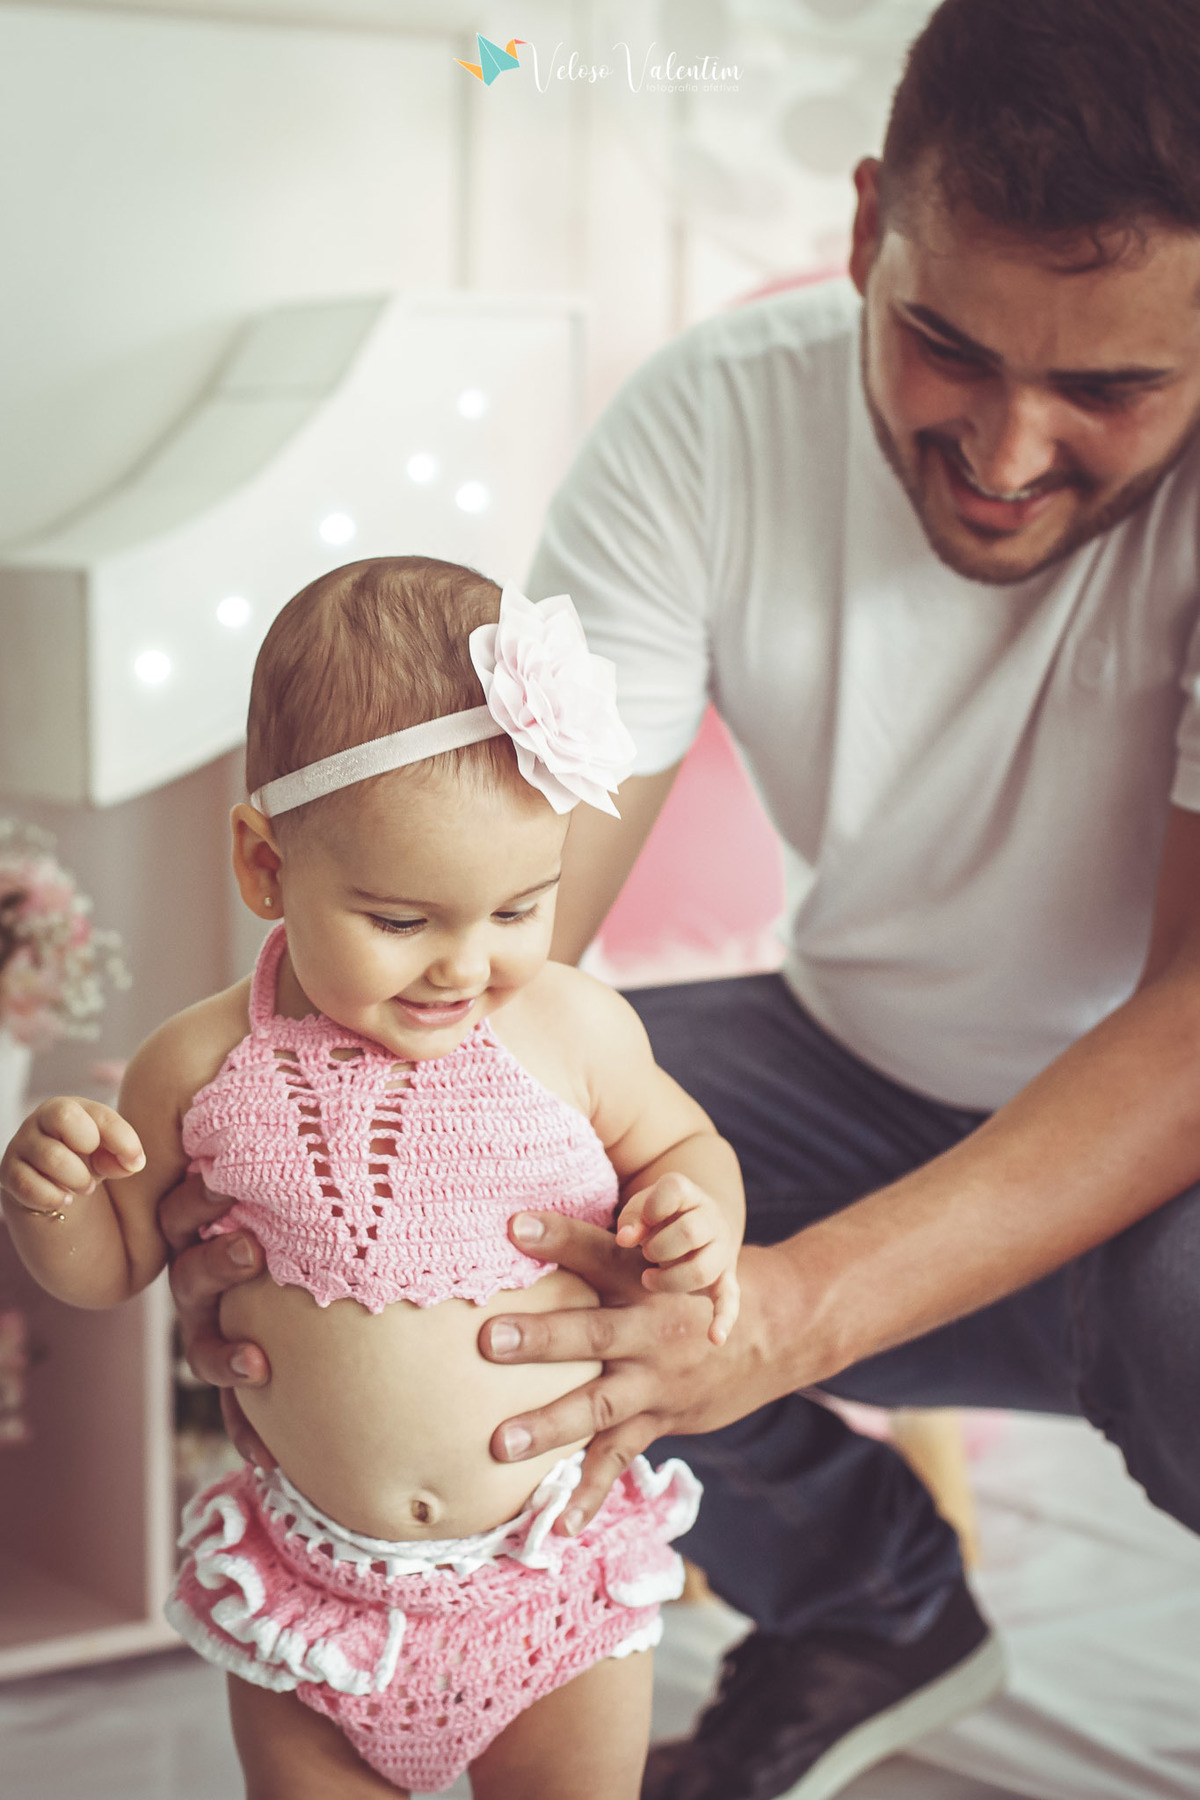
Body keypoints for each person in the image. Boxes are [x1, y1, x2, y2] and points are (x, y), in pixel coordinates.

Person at [163, 1, 1200, 1796]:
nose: (1012, 448)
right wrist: (316, 1212)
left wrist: (795, 1307)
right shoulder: (711, 422)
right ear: (868, 222)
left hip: (1166, 1144)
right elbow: (494, 966)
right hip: (838, 1071)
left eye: (1110, 388)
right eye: (947, 344)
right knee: (531, 1172)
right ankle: (874, 1605)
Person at [0, 558, 746, 1800]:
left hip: (547, 1573)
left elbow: (684, 1146)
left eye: (520, 909)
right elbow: (114, 1261)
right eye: (403, 921)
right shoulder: (198, 1062)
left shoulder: (573, 1030)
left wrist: (695, 1212)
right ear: (266, 866)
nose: (467, 966)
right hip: (311, 1587)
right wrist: (53, 1201)